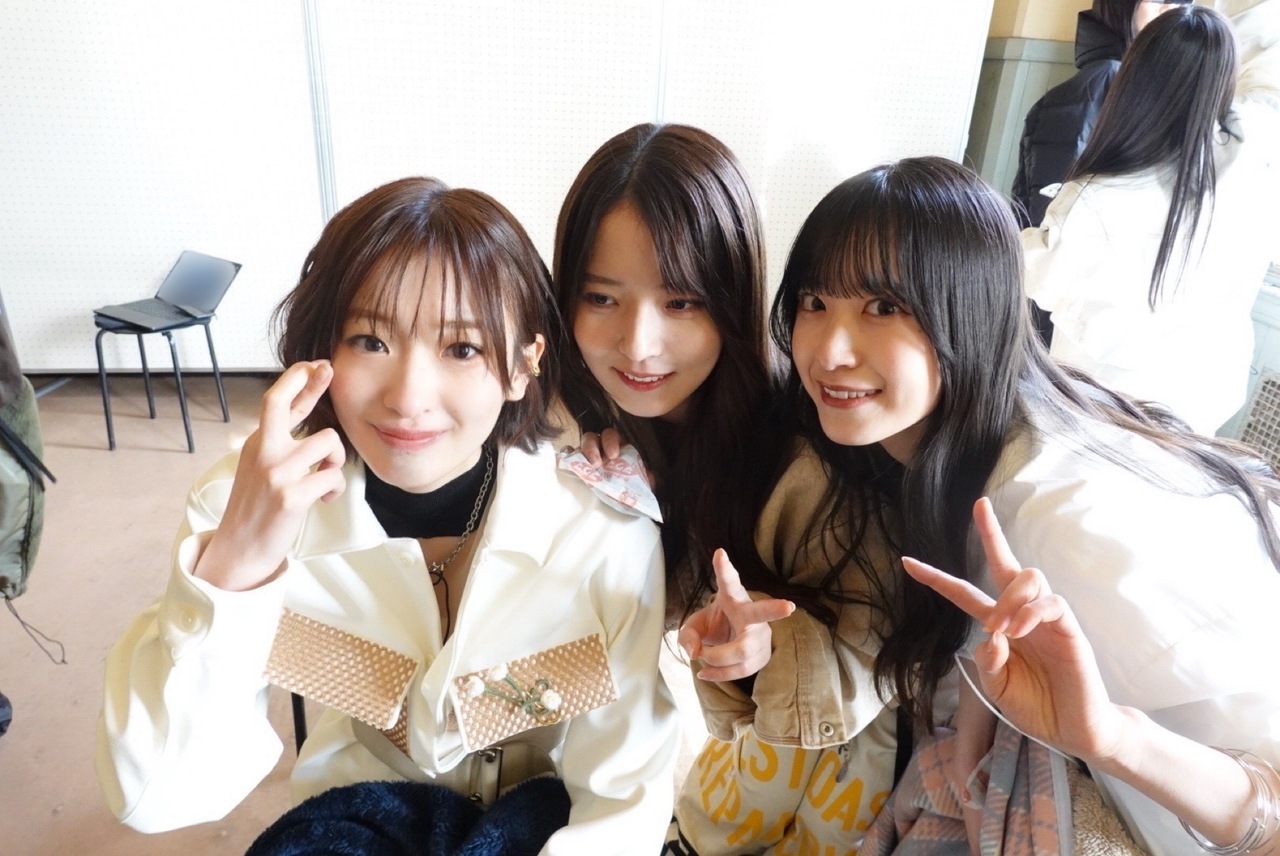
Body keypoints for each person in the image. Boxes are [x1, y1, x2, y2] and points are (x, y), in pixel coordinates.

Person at [95, 177, 680, 854]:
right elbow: (158, 792)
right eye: (371, 341)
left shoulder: (601, 531)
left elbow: (622, 801)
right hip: (356, 815)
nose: (408, 397)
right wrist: (238, 567)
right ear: (322, 350)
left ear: (524, 366)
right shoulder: (251, 508)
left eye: (461, 349)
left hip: (543, 821)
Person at [769, 154, 1280, 854]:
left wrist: (1113, 737)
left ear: (974, 312)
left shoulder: (1065, 522)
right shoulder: (959, 439)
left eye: (884, 307)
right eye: (813, 302)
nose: (829, 351)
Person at [554, 123, 902, 854]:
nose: (638, 344)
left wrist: (768, 647)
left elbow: (874, 650)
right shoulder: (581, 420)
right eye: (601, 297)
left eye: (681, 302)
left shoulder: (803, 462)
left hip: (843, 758)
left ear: (733, 298)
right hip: (732, 750)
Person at [1024, 0, 1280, 435]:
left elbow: (1042, 277)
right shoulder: (1254, 153)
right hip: (1203, 401)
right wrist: (1209, 36)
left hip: (1102, 411)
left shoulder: (1101, 194)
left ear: (1136, 75)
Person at [1011, 0, 1191, 231]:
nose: (1169, 9)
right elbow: (1054, 218)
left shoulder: (1137, 80)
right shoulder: (1105, 80)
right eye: (1156, 0)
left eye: (1180, 1)